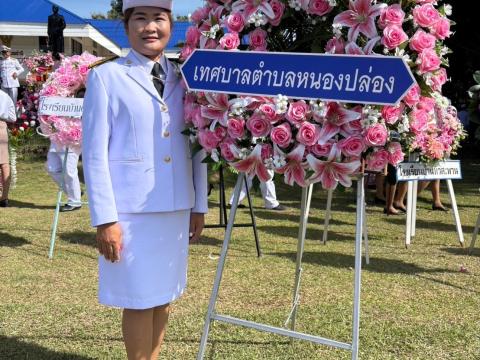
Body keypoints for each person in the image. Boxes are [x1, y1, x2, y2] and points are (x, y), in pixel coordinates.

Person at [82, 1, 207, 359]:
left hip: (175, 208)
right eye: (140, 18)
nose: (150, 27)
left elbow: (198, 143)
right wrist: (105, 219)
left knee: (164, 294)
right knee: (138, 298)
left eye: (159, 18)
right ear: (126, 26)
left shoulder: (185, 77)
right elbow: (94, 153)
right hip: (130, 212)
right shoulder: (106, 76)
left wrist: (198, 205)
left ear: (171, 24)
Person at [45, 142, 82, 212]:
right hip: (55, 142)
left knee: (69, 172)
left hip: (71, 144)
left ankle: (75, 202)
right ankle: (76, 192)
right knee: (51, 168)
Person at [0, 90, 16, 207]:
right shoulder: (5, 96)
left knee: (4, 164)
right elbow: (12, 117)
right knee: (4, 163)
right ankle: (4, 197)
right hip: (2, 126)